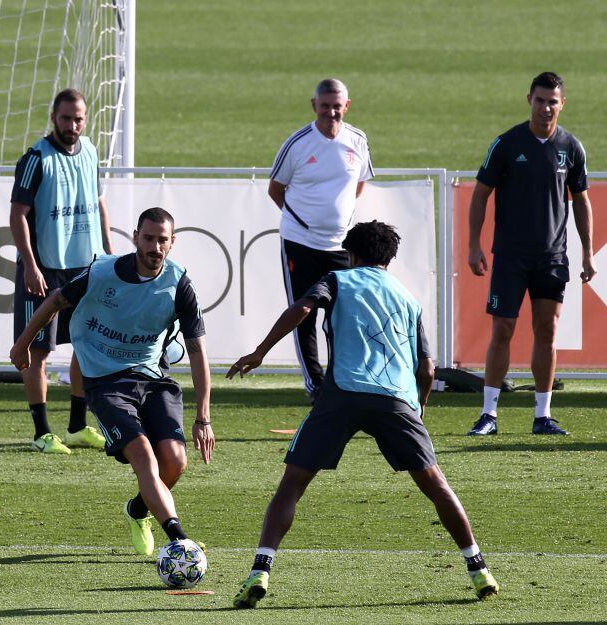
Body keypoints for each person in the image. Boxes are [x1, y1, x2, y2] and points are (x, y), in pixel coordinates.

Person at [226, 221, 499, 608]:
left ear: (350, 255)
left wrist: (260, 351)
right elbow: (429, 369)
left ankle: (260, 571)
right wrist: (418, 408)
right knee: (435, 484)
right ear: (390, 257)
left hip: (343, 395)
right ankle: (478, 569)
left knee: (292, 484)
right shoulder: (408, 298)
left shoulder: (338, 280)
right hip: (396, 400)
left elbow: (302, 308)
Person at [11, 207, 214, 557]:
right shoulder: (103, 272)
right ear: (135, 237)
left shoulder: (179, 283)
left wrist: (203, 418)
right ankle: (178, 539)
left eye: (162, 240)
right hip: (105, 382)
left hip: (152, 378)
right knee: (144, 457)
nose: (154, 246)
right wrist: (23, 342)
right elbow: (56, 300)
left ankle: (138, 510)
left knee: (175, 462)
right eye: (148, 238)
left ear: (172, 243)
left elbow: (197, 351)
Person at [466, 71, 596, 437]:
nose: (545, 107)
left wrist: (587, 252)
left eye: (552, 101)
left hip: (552, 257)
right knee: (502, 329)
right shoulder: (507, 144)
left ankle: (542, 415)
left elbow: (581, 201)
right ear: (529, 100)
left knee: (546, 330)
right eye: (539, 100)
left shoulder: (571, 147)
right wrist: (474, 245)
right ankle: (488, 414)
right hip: (510, 256)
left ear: (562, 104)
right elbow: (480, 194)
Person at [10, 88, 114, 454]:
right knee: (38, 352)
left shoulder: (90, 152)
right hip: (45, 270)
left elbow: (98, 201)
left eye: (79, 118)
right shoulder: (36, 159)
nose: (73, 125)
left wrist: (108, 251)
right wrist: (30, 265)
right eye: (67, 118)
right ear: (54, 117)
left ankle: (75, 426)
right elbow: (18, 215)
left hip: (85, 265)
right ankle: (41, 432)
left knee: (85, 345)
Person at [268, 78, 373, 402]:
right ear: (314, 105)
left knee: (342, 317)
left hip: (341, 245)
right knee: (304, 314)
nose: (331, 113)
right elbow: (276, 188)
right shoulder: (298, 143)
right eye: (325, 106)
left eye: (337, 107)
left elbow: (360, 183)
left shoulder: (357, 140)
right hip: (300, 242)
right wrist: (303, 222)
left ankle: (339, 379)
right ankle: (315, 384)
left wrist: (337, 219)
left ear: (347, 106)